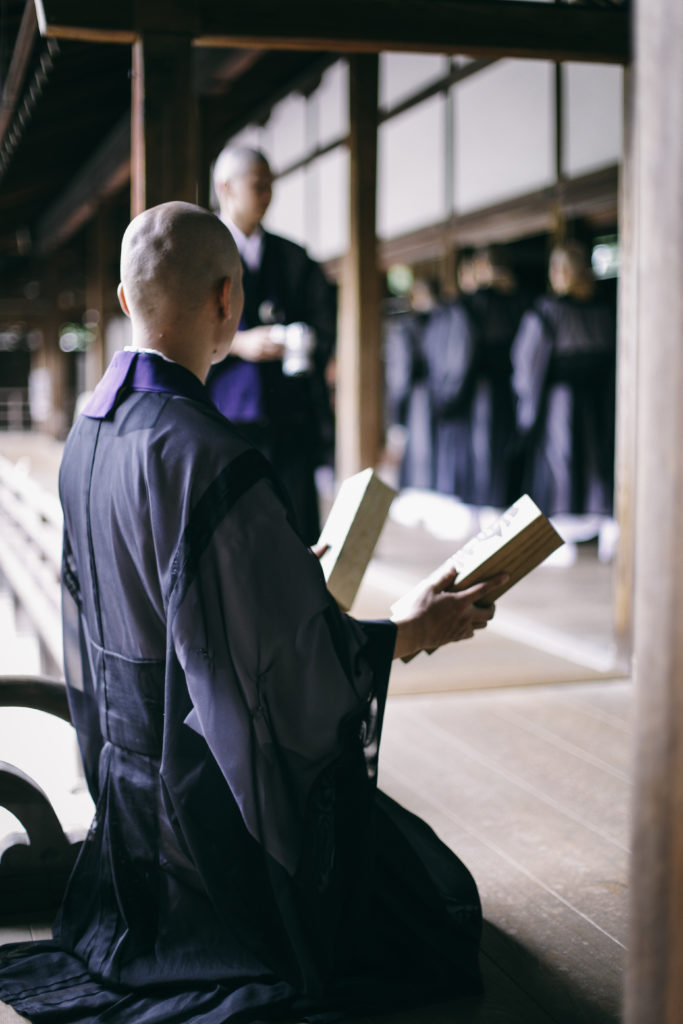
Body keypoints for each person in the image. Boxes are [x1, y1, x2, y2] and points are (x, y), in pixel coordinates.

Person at [0, 202, 505, 1024]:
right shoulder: (207, 452)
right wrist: (407, 631)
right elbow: (285, 668)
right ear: (229, 300)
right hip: (206, 808)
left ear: (128, 303)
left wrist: (278, 573)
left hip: (130, 798)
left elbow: (150, 602)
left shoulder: (89, 437)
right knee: (438, 908)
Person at [206, 145, 335, 543]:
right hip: (224, 418)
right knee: (238, 531)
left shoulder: (293, 257)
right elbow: (175, 329)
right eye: (257, 185)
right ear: (226, 187)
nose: (267, 195)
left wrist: (305, 343)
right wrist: (238, 344)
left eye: (270, 186)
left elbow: (324, 321)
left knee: (296, 528)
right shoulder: (201, 252)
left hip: (289, 417)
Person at [510, 240, 616, 517]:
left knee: (560, 458)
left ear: (561, 271)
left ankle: (563, 522)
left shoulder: (547, 310)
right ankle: (596, 517)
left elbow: (525, 362)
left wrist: (526, 410)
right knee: (595, 458)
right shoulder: (604, 311)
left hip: (560, 399)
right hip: (598, 400)